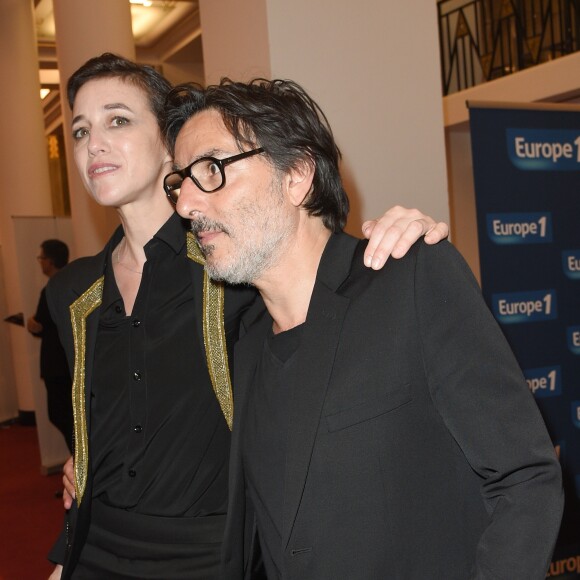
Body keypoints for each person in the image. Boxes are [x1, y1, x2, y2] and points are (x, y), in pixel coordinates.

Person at [46, 53, 448, 580]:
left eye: (117, 120)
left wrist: (406, 232)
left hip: (213, 555)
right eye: (79, 130)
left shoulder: (233, 263)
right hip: (94, 548)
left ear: (170, 142)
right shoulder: (73, 293)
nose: (93, 143)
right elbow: (95, 420)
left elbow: (323, 265)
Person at [165, 78, 564, 580]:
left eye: (211, 169)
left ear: (297, 176)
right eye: (180, 182)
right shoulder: (243, 355)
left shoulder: (411, 280)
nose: (185, 205)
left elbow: (524, 479)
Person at [27, 239, 73, 453]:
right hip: (68, 361)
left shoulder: (51, 289)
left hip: (56, 365)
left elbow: (41, 325)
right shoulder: (73, 283)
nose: (40, 262)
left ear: (51, 261)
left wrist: (31, 323)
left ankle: (81, 468)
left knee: (61, 415)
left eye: (42, 258)